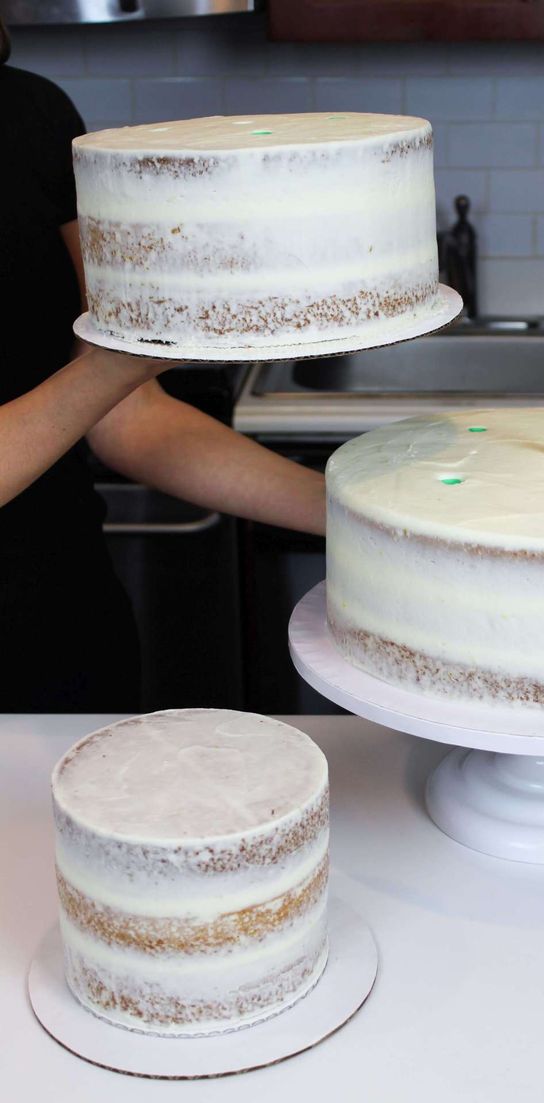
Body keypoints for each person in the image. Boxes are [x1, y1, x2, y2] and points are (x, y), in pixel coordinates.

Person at [0, 27, 325, 711]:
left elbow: (127, 414)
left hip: (65, 632)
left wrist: (356, 519)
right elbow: (102, 379)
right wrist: (120, 361)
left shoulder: (30, 115)